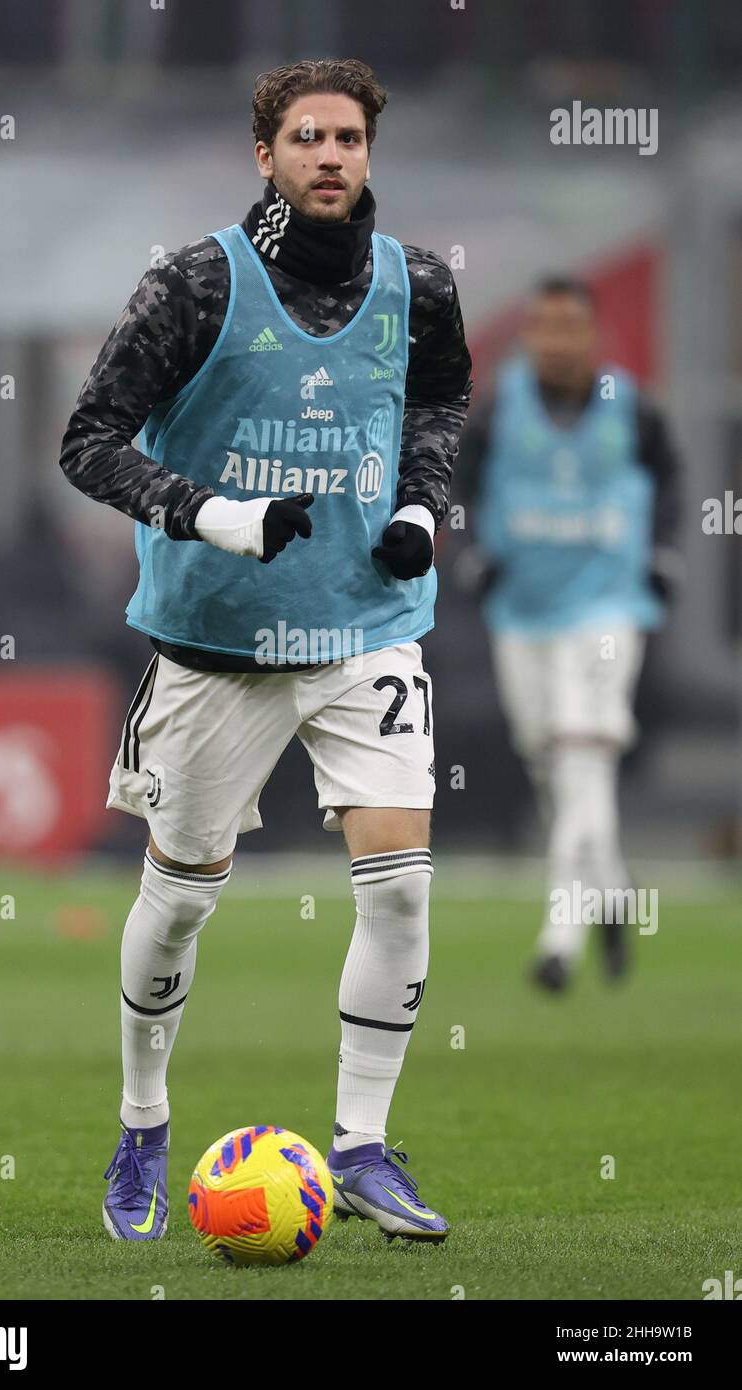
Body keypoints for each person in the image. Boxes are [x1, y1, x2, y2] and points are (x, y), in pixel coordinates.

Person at [59, 58, 472, 1243]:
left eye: (347, 138)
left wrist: (417, 506)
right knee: (180, 902)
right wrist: (212, 515)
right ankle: (143, 1125)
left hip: (364, 631)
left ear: (367, 152)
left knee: (399, 886)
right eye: (306, 138)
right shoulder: (195, 282)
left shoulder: (420, 283)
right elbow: (85, 441)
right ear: (265, 155)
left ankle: (359, 1147)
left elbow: (437, 402)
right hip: (216, 643)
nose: (330, 156)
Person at [454, 277, 681, 992]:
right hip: (523, 611)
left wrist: (664, 554)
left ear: (592, 334)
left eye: (569, 326)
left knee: (582, 755)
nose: (556, 341)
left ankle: (559, 939)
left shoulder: (633, 409)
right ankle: (609, 889)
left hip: (606, 608)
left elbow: (670, 481)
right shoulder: (498, 410)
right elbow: (459, 487)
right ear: (529, 335)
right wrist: (470, 555)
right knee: (550, 760)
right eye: (543, 326)